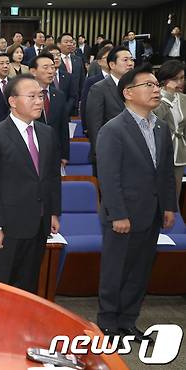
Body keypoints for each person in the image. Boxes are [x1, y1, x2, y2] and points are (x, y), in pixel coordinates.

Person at [96, 64, 176, 341]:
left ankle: (128, 321)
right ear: (128, 93)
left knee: (140, 270)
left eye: (157, 85)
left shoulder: (162, 128)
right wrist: (118, 213)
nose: (156, 90)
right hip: (123, 214)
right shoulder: (114, 129)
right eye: (149, 85)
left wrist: (168, 206)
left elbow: (165, 172)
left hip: (151, 213)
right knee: (116, 269)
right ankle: (107, 323)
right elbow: (109, 177)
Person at [0, 74, 61, 293]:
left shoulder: (47, 133)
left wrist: (53, 212)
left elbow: (52, 177)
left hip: (39, 223)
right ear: (12, 101)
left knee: (29, 284)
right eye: (31, 96)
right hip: (9, 226)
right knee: (3, 285)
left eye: (41, 95)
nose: (38, 101)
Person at [85, 46, 134, 170]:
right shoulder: (99, 88)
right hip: (109, 151)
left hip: (134, 151)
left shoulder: (136, 88)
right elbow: (94, 125)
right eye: (125, 60)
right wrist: (100, 152)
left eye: (131, 60)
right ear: (112, 64)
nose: (130, 63)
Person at [29, 53, 70, 166]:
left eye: (52, 67)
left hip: (54, 153)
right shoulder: (24, 95)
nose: (51, 71)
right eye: (45, 67)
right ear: (33, 71)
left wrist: (65, 155)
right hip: (31, 152)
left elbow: (63, 127)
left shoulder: (59, 95)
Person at [154, 60, 186, 201]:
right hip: (158, 150)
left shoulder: (184, 99)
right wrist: (168, 96)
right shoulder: (154, 96)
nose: (180, 82)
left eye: (182, 78)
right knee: (156, 193)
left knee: (174, 195)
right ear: (165, 79)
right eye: (175, 79)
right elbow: (156, 119)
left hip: (179, 152)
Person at [80, 44, 113, 130]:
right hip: (98, 126)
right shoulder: (91, 81)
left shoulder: (122, 80)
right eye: (107, 58)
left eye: (113, 57)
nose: (110, 60)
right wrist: (85, 127)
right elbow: (84, 105)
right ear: (99, 62)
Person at [46, 45, 79, 121]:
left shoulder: (68, 76)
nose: (56, 57)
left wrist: (65, 110)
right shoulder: (42, 77)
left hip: (65, 117)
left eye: (58, 55)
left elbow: (72, 96)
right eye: (53, 55)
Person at [57, 33, 85, 115]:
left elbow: (82, 80)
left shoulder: (78, 60)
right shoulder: (54, 60)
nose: (69, 44)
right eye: (66, 42)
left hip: (75, 102)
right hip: (59, 101)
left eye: (71, 42)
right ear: (59, 44)